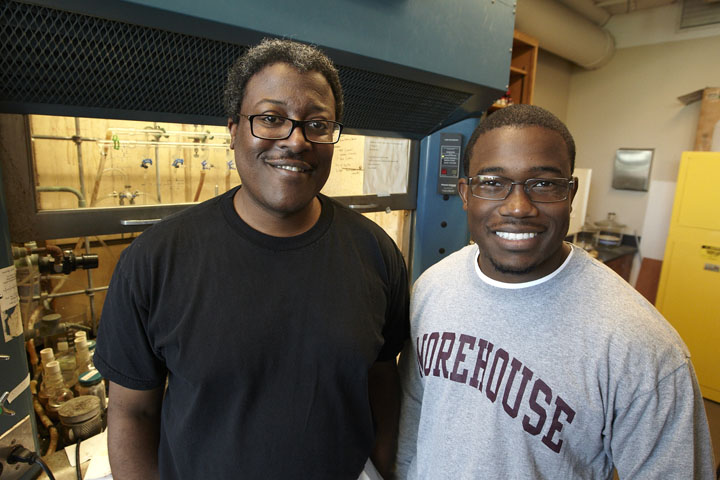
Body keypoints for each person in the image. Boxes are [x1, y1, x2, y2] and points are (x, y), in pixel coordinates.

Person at [95, 38, 409, 480]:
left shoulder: (377, 254)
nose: (296, 141)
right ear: (233, 129)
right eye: (271, 119)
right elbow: (132, 415)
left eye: (317, 123)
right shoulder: (154, 261)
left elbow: (381, 383)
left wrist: (381, 467)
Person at [395, 104, 715, 479]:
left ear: (571, 192)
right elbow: (414, 415)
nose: (518, 207)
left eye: (544, 184)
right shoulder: (432, 287)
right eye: (493, 183)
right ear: (466, 193)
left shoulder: (643, 347)